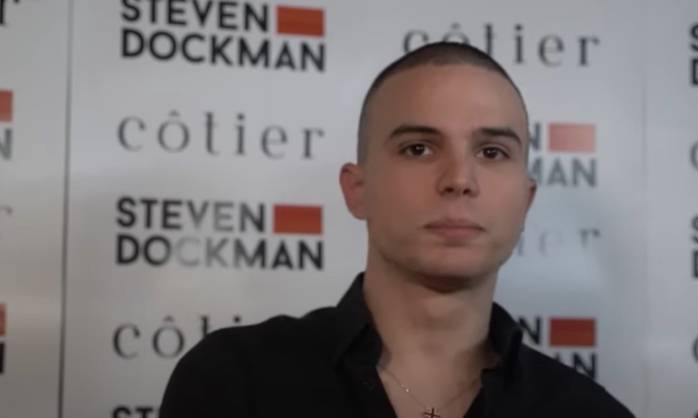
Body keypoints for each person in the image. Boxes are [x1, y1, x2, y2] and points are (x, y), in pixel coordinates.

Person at [159, 42, 635, 418]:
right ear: (357, 190)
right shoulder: (233, 381)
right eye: (418, 148)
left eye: (492, 152)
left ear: (526, 202)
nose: (459, 179)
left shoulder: (589, 412)